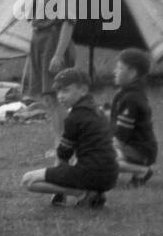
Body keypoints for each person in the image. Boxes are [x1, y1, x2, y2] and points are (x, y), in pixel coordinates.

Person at [21, 68, 118, 208]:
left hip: (91, 174)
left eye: (65, 90)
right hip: (111, 176)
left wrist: (58, 183)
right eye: (58, 91)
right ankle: (95, 192)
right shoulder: (98, 110)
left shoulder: (75, 117)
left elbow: (63, 155)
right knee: (78, 162)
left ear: (83, 90)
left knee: (29, 180)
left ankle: (82, 194)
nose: (60, 96)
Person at [27, 0, 77, 148]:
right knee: (48, 98)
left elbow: (69, 21)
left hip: (53, 40)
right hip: (40, 40)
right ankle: (59, 141)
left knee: (57, 96)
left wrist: (58, 54)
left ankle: (64, 144)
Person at [110, 48, 157, 188]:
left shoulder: (131, 98)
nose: (115, 71)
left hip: (139, 151)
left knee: (96, 154)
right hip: (139, 148)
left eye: (119, 68)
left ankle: (142, 171)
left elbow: (122, 135)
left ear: (132, 73)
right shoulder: (130, 93)